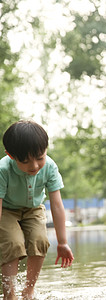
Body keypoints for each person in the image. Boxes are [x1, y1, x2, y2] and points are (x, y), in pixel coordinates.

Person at [0, 120, 74, 300]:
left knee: (40, 240)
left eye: (39, 158)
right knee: (13, 243)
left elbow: (56, 205)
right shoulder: (3, 169)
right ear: (11, 155)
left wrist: (62, 242)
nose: (34, 166)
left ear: (46, 150)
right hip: (7, 210)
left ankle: (28, 292)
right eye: (25, 161)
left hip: (33, 209)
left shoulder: (49, 167)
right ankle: (10, 294)